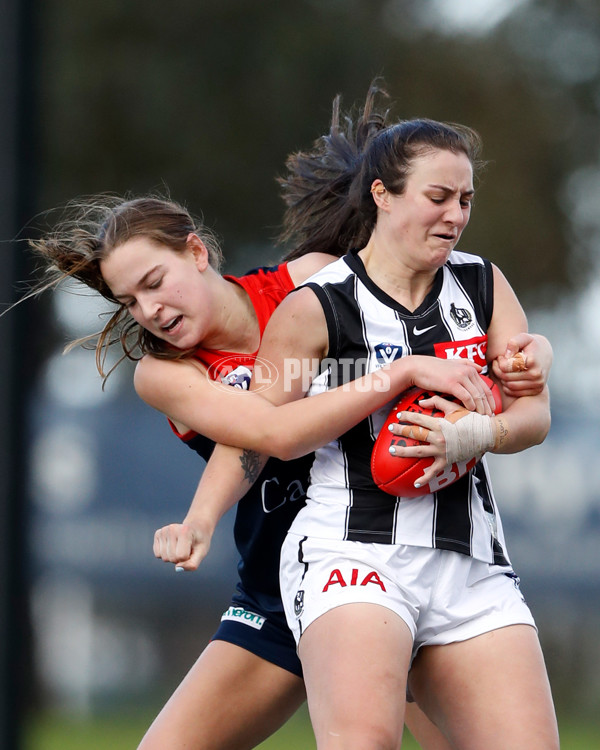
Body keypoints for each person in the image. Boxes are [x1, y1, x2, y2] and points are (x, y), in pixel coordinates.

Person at [163, 84, 560, 749]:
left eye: (465, 200)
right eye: (437, 198)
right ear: (382, 195)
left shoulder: (484, 284)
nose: (455, 216)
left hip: (469, 562)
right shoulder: (318, 307)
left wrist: (483, 429)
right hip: (353, 554)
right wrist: (198, 520)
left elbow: (534, 415)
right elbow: (260, 434)